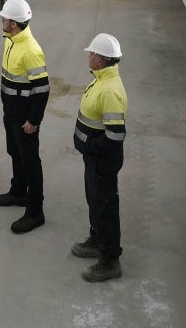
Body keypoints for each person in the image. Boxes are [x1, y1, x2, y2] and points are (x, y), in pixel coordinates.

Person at [72, 33, 128, 282]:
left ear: (102, 61)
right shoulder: (100, 80)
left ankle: (110, 260)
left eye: (92, 54)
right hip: (94, 159)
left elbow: (116, 135)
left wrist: (89, 144)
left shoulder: (110, 90)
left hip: (102, 160)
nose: (89, 56)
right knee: (94, 200)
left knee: (104, 205)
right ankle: (97, 240)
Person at [0, 0, 49, 234]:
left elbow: (42, 90)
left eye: (5, 18)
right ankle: (18, 191)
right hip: (11, 112)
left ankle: (35, 211)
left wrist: (33, 121)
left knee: (30, 161)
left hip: (24, 118)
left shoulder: (31, 50)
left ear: (14, 23)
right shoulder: (11, 40)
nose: (2, 20)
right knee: (15, 153)